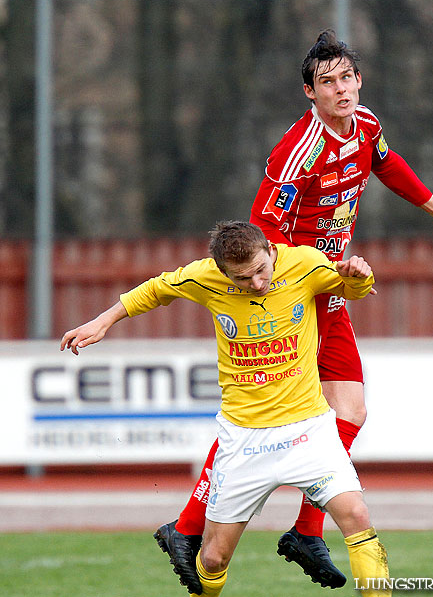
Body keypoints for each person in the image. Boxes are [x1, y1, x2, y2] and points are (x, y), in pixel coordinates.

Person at [156, 29, 433, 592]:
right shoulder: (297, 153)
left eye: (346, 78)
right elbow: (263, 232)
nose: (340, 89)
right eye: (326, 82)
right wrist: (279, 287)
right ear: (309, 92)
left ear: (359, 80)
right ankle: (191, 527)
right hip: (297, 292)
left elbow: (387, 163)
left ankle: (300, 531)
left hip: (329, 287)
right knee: (258, 412)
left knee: (351, 410)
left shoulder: (367, 127)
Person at [61, 221, 389, 597]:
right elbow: (154, 290)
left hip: (309, 430)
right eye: (242, 278)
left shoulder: (305, 264)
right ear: (220, 270)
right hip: (244, 440)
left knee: (358, 517)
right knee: (214, 558)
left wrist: (359, 276)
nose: (257, 283)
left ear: (269, 249)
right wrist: (102, 322)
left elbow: (353, 290)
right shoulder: (204, 278)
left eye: (261, 270)